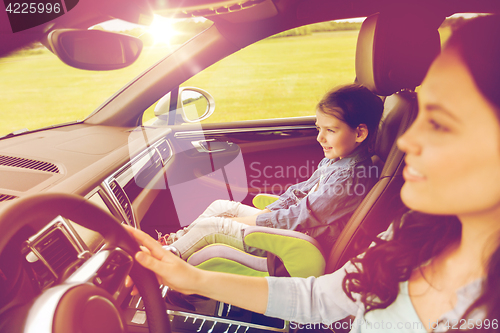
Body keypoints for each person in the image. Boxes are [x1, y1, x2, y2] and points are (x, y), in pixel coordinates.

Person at [125, 15, 500, 332]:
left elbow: (304, 218)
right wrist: (191, 278)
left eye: (440, 123)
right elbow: (320, 299)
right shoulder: (411, 234)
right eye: (420, 117)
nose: (409, 140)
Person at [161, 84, 383, 260]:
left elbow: (301, 217)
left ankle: (165, 259)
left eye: (330, 130)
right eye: (319, 129)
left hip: (293, 243)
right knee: (220, 207)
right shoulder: (337, 162)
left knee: (211, 226)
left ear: (359, 133)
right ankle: (175, 241)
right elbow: (298, 193)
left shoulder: (348, 178)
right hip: (291, 230)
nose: (320, 138)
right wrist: (264, 212)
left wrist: (252, 222)